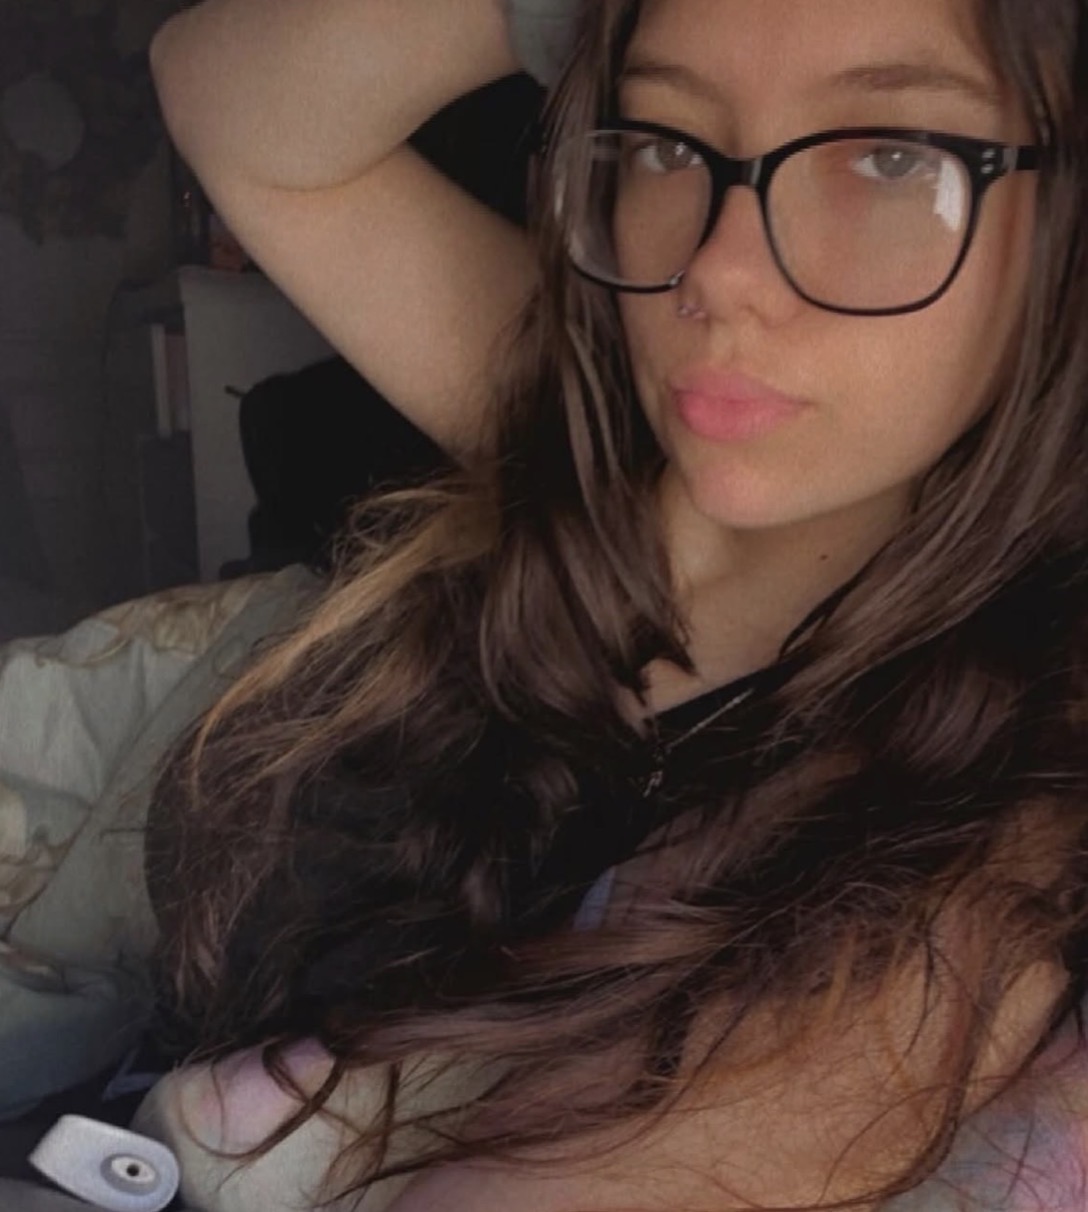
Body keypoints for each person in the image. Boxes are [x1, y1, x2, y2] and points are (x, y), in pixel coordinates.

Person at [127, 0, 1088, 1209]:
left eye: (891, 158)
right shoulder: (579, 438)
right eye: (664, 139)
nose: (714, 273)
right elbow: (222, 95)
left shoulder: (1006, 796)